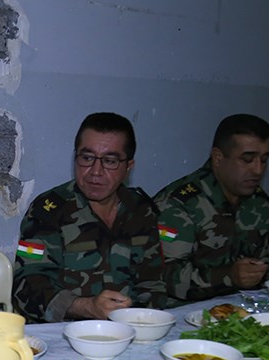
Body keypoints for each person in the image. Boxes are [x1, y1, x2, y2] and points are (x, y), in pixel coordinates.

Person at [12, 112, 166, 323]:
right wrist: (85, 307)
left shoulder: (142, 210)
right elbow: (27, 286)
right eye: (87, 158)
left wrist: (140, 320)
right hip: (64, 335)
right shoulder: (48, 211)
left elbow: (153, 284)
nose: (95, 171)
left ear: (128, 167)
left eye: (110, 161)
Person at [153, 114, 269, 306]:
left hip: (237, 308)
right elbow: (165, 277)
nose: (258, 170)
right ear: (218, 157)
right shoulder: (179, 204)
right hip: (181, 313)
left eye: (264, 160)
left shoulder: (258, 203)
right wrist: (229, 276)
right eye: (248, 160)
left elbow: (259, 262)